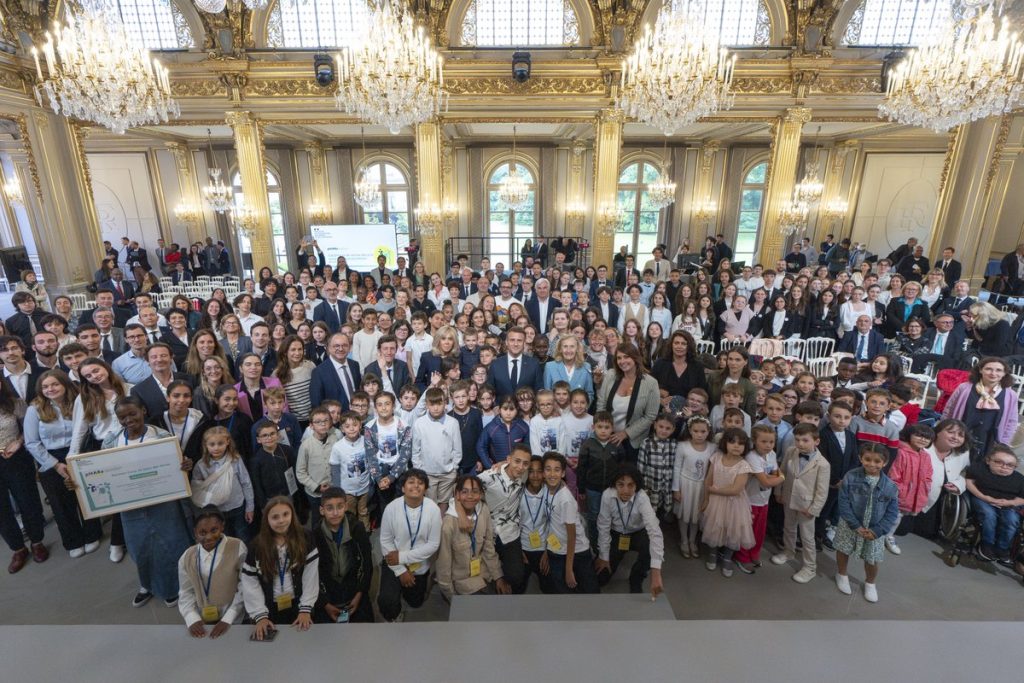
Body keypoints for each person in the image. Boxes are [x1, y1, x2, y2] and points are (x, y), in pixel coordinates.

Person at [101, 397, 193, 607]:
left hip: (163, 501)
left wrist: (185, 465)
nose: (128, 420)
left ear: (143, 410)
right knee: (139, 546)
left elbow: (177, 465)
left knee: (170, 543)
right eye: (122, 417)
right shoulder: (111, 441)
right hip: (130, 505)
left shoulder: (162, 437)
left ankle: (173, 586)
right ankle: (147, 584)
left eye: (132, 414)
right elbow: (103, 472)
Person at [240, 497, 320, 639]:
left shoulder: (306, 538)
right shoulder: (256, 546)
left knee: (301, 641)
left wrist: (306, 608)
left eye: (285, 514)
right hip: (269, 609)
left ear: (292, 514)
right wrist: (260, 615)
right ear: (267, 520)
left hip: (299, 606)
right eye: (275, 517)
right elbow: (250, 583)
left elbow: (311, 576)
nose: (281, 520)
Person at [833, 443, 900, 604]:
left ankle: (870, 583)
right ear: (860, 458)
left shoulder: (890, 486)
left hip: (874, 528)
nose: (872, 464)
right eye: (867, 459)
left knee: (872, 557)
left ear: (885, 462)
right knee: (843, 549)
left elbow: (892, 512)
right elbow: (843, 502)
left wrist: (878, 530)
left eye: (877, 461)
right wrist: (855, 525)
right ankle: (842, 574)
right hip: (850, 524)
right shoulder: (850, 477)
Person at [378, 469, 442, 622]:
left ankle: (408, 588)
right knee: (386, 601)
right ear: (403, 488)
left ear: (425, 489)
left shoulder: (433, 509)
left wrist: (403, 557)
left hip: (418, 563)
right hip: (393, 562)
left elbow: (433, 544)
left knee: (416, 602)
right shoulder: (391, 508)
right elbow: (386, 541)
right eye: (411, 482)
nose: (416, 486)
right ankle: (394, 615)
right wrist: (401, 571)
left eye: (420, 483)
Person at [771, 423, 830, 584]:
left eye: (805, 440)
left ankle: (810, 567)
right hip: (788, 497)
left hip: (807, 506)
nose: (800, 444)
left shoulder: (823, 464)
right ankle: (788, 552)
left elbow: (822, 491)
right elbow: (782, 472)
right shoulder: (791, 452)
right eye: (797, 440)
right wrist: (778, 491)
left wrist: (814, 509)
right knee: (788, 527)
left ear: (816, 441)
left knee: (807, 537)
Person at [177, 507, 247, 638]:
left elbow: (245, 585)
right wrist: (192, 617)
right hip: (202, 620)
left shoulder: (237, 547)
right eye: (202, 532)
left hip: (234, 618)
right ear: (195, 532)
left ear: (222, 527)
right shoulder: (187, 557)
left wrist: (229, 617)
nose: (208, 537)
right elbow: (185, 591)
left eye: (214, 530)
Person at [595, 465, 664, 596]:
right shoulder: (607, 495)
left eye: (631, 485)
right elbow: (603, 526)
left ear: (636, 485)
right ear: (614, 484)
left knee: (649, 549)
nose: (626, 491)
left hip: (638, 533)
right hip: (616, 534)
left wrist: (656, 572)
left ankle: (636, 577)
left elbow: (655, 531)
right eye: (621, 485)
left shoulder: (642, 497)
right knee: (601, 578)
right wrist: (603, 556)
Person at [437, 474, 508, 600]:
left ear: (480, 494)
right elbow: (444, 563)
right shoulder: (448, 524)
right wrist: (451, 596)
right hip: (463, 580)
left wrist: (498, 576)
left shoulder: (483, 510)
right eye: (465, 492)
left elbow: (488, 547)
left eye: (475, 492)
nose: (470, 496)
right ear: (457, 495)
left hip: (483, 572)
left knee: (506, 596)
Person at [313, 487, 374, 623]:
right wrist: (325, 603)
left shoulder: (357, 528)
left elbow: (366, 564)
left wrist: (359, 594)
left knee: (365, 630)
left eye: (340, 507)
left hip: (355, 593)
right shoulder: (316, 534)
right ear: (322, 510)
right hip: (327, 597)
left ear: (346, 506)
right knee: (323, 633)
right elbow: (313, 573)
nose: (335, 513)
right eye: (329, 508)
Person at [700, 428, 756, 578]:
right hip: (715, 502)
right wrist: (706, 499)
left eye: (741, 443)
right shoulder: (717, 457)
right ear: (725, 443)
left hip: (734, 504)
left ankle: (727, 557)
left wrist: (715, 491)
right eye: (732, 442)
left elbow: (736, 490)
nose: (736, 446)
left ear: (745, 447)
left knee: (732, 531)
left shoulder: (743, 465)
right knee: (714, 528)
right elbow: (708, 480)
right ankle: (712, 554)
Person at [541, 452, 599, 594]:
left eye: (556, 470)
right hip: (557, 549)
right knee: (562, 591)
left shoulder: (566, 499)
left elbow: (572, 537)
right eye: (548, 469)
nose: (552, 474)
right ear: (543, 472)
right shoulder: (547, 490)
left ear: (562, 473)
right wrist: (547, 550)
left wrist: (568, 570)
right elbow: (552, 523)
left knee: (590, 592)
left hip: (577, 552)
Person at [941, 357, 1019, 461]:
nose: (993, 373)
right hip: (960, 435)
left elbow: (1012, 421)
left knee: (979, 466)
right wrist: (945, 432)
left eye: (998, 370)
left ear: (1004, 373)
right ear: (980, 370)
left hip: (989, 440)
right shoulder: (964, 388)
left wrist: (1004, 442)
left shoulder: (1011, 395)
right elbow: (948, 411)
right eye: (988, 369)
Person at [595, 343, 660, 462]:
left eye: (626, 357)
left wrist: (626, 433)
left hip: (633, 441)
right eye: (619, 358)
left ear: (635, 358)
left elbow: (650, 416)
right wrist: (603, 429)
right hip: (607, 437)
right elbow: (601, 404)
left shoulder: (651, 383)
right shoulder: (610, 375)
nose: (622, 361)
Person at [191, 427, 255, 543]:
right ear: (206, 445)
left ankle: (245, 555)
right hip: (216, 511)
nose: (216, 448)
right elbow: (197, 489)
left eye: (220, 443)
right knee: (224, 540)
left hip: (237, 506)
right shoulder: (201, 465)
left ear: (227, 442)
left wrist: (250, 507)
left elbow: (246, 483)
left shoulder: (235, 460)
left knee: (243, 537)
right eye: (212, 444)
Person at [673, 415, 715, 559]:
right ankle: (684, 540)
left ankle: (692, 541)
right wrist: (676, 489)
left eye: (703, 431)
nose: (699, 435)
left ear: (708, 432)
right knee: (684, 514)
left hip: (701, 487)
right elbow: (677, 468)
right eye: (696, 431)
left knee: (696, 515)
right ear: (690, 430)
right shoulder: (683, 446)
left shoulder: (712, 447)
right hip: (685, 485)